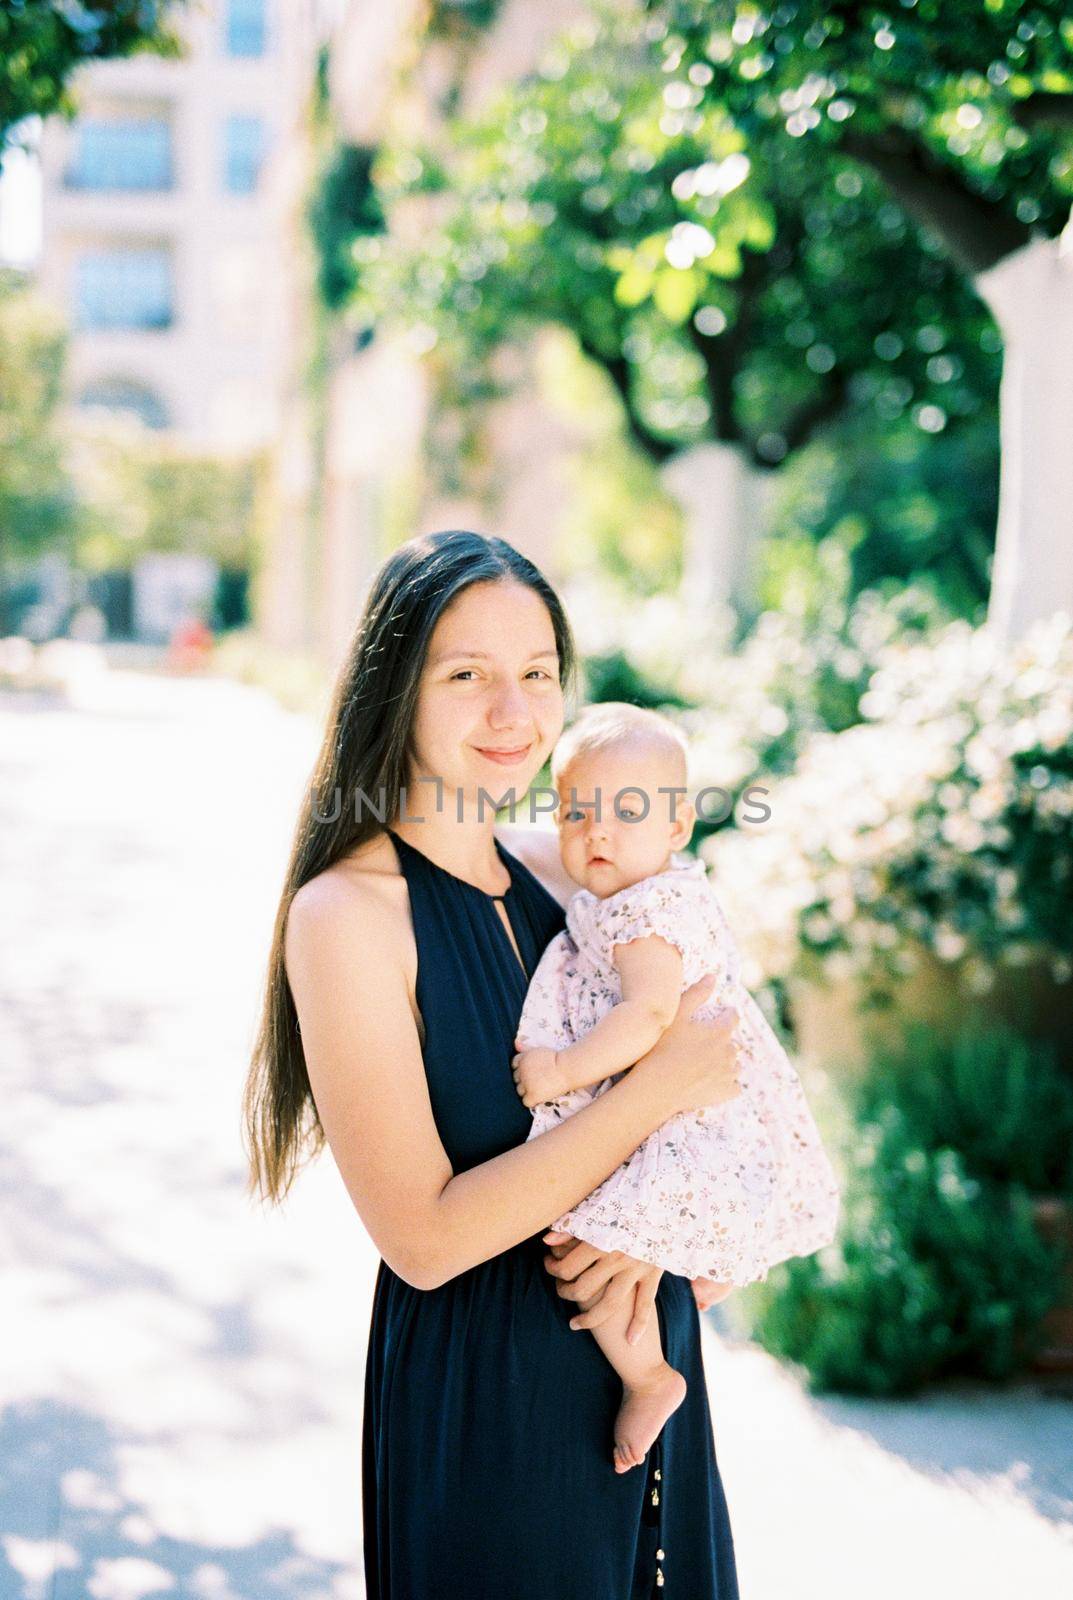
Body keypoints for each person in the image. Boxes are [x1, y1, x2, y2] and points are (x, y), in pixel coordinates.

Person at [242, 530, 744, 1599]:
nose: (512, 714)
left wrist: (663, 1244)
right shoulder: (347, 916)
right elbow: (424, 1239)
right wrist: (656, 1088)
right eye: (466, 675)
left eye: (536, 674)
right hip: (490, 1417)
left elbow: (711, 1042)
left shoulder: (569, 877)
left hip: (645, 1386)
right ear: (393, 687)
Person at [511, 701, 842, 1475]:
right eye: (574, 812)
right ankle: (699, 1284)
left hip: (682, 1116)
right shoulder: (632, 891)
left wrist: (560, 1070)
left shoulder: (649, 913)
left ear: (677, 825)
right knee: (612, 1245)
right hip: (680, 1105)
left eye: (624, 813)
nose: (595, 833)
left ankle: (649, 1374)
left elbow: (647, 1014)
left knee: (583, 1245)